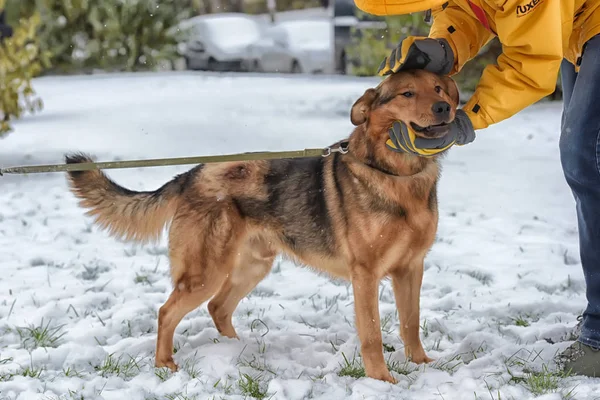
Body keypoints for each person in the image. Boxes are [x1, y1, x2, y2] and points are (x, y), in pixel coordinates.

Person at [352, 0, 600, 376]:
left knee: (589, 157)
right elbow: (479, 6)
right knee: (585, 163)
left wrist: (468, 120)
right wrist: (448, 42)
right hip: (577, 25)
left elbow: (531, 64)